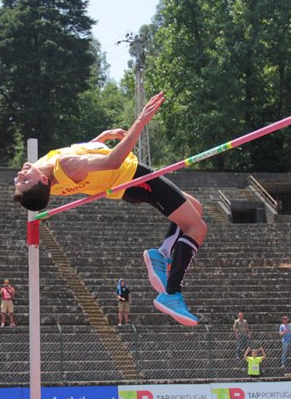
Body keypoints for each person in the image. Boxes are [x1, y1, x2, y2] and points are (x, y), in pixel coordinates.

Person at [13, 92, 206, 326]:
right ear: (43, 181)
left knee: (195, 207)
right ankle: (172, 294)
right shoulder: (62, 166)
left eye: (19, 179)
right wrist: (141, 121)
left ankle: (161, 254)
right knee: (196, 227)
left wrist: (102, 137)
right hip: (131, 176)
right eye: (25, 180)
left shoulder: (48, 175)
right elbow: (111, 161)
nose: (20, 174)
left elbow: (83, 156)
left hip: (126, 186)